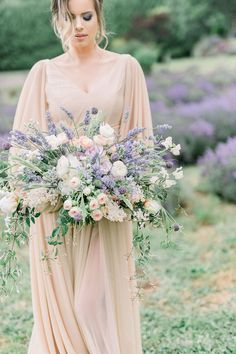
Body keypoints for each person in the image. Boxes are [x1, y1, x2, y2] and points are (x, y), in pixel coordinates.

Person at [10, 0, 153, 352]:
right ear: (58, 19)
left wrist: (133, 187)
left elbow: (142, 137)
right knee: (66, 306)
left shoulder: (126, 67)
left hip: (109, 203)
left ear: (99, 17)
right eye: (68, 17)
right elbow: (24, 150)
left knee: (95, 303)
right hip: (58, 209)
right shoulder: (43, 72)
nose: (78, 26)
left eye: (86, 16)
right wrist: (42, 187)